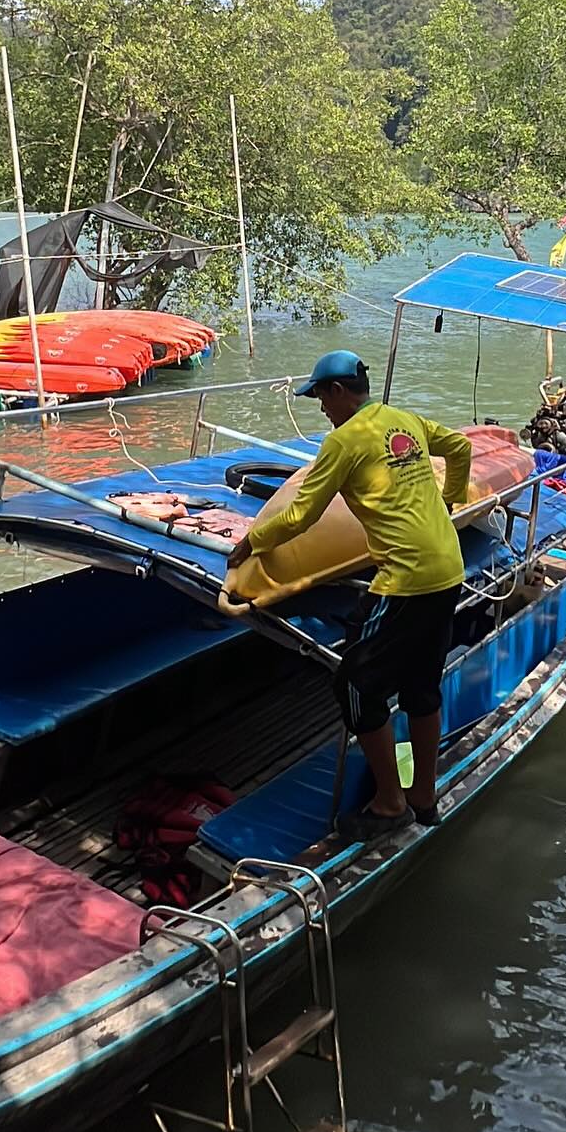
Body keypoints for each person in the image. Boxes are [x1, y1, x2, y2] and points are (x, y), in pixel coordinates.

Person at [226, 349, 472, 841]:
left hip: (405, 579)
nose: (320, 407)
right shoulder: (405, 420)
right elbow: (461, 448)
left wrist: (250, 541)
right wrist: (451, 500)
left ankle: (389, 803)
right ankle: (424, 794)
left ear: (338, 391)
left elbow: (301, 515)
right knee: (422, 686)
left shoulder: (343, 442)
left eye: (320, 396)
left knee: (355, 687)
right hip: (448, 567)